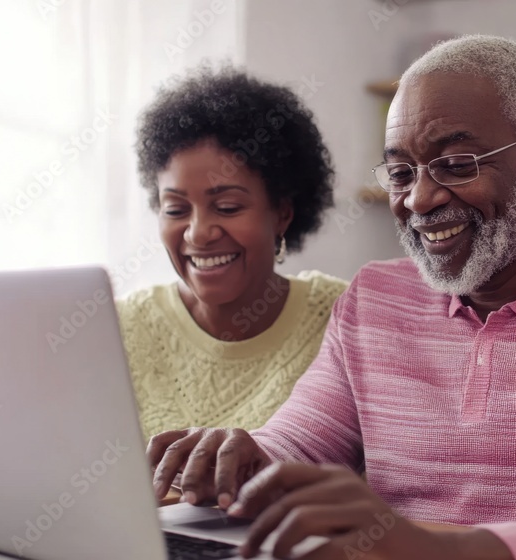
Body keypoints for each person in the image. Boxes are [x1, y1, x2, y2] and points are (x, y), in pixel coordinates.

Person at [148, 36, 516, 560]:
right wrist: (241, 457)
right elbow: (300, 441)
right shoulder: (374, 298)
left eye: (457, 163)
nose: (419, 200)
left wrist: (448, 551)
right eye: (402, 172)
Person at [117, 65, 348, 438]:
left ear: (282, 213)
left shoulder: (340, 318)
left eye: (227, 207)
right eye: (175, 210)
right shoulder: (121, 329)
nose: (198, 233)